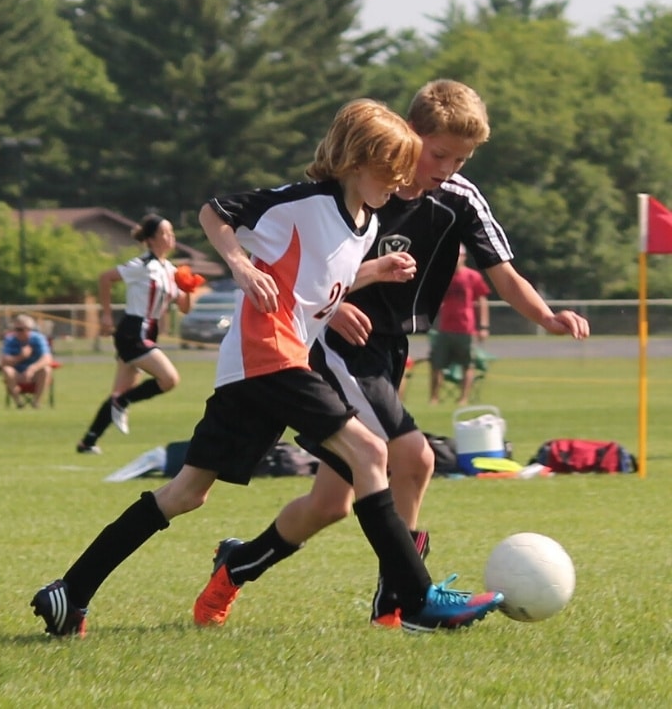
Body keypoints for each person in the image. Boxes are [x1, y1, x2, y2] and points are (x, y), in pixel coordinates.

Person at [32, 98, 503, 638]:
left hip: (257, 369)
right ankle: (415, 600)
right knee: (371, 452)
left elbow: (317, 285)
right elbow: (215, 212)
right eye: (390, 170)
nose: (399, 182)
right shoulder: (303, 202)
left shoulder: (365, 223)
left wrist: (373, 272)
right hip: (269, 355)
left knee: (186, 494)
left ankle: (69, 592)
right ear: (356, 161)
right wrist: (240, 266)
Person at [194, 79, 590, 631]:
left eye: (461, 159)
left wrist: (545, 316)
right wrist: (332, 306)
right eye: (439, 154)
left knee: (330, 504)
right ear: (408, 135)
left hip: (388, 351)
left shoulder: (459, 199)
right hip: (337, 348)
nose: (448, 168)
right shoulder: (361, 187)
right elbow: (308, 266)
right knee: (415, 457)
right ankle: (402, 601)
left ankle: (236, 565)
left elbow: (502, 272)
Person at [75, 213, 192, 454]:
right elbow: (106, 278)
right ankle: (122, 403)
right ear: (150, 239)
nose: (170, 237)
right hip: (133, 331)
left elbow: (184, 308)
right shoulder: (142, 265)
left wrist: (188, 289)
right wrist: (106, 315)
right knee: (169, 380)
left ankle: (88, 441)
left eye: (172, 233)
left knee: (119, 392)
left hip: (149, 331)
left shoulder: (170, 270)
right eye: (164, 233)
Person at [429, 244, 491, 405]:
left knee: (467, 365)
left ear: (464, 257)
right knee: (437, 363)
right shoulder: (444, 276)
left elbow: (482, 301)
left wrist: (484, 326)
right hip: (445, 327)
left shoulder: (473, 276)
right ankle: (434, 398)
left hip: (466, 328)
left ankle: (463, 398)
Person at [0, 314, 53, 408]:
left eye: (21, 329)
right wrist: (21, 356)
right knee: (7, 370)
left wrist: (32, 369)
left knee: (46, 370)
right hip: (17, 373)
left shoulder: (38, 339)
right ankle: (19, 403)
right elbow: (4, 361)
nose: (17, 332)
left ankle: (36, 402)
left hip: (35, 374)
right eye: (16, 329)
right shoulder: (10, 339)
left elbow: (47, 358)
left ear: (29, 329)